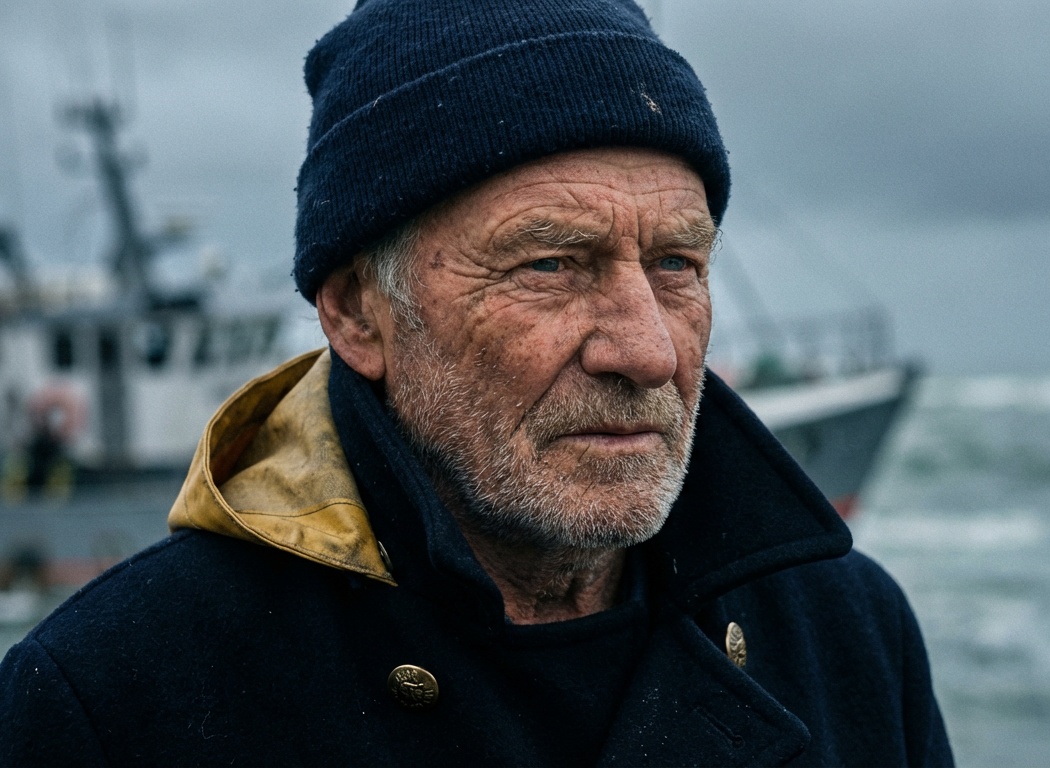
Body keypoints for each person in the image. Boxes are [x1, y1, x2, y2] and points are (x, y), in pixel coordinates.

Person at [0, 1, 953, 764]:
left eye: (677, 264)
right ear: (358, 313)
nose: (649, 351)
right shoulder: (110, 703)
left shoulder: (853, 635)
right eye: (550, 264)